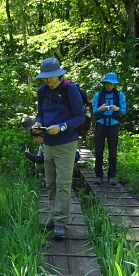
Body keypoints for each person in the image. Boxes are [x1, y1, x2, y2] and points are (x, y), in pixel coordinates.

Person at [24, 57, 85, 240]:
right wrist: (38, 124)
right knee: (50, 183)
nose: (47, 80)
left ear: (59, 75)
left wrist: (62, 126)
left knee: (63, 184)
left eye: (51, 77)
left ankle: (61, 223)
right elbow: (41, 114)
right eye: (45, 77)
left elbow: (80, 116)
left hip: (66, 144)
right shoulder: (43, 90)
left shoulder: (70, 89)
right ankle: (54, 216)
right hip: (48, 143)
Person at [93, 73, 127, 185]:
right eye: (107, 83)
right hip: (101, 124)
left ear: (114, 84)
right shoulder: (98, 95)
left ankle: (111, 176)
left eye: (111, 84)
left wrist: (117, 109)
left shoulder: (120, 95)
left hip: (113, 124)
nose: (109, 86)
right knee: (99, 151)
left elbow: (124, 112)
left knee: (113, 151)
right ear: (104, 83)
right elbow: (93, 112)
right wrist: (100, 109)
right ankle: (99, 176)